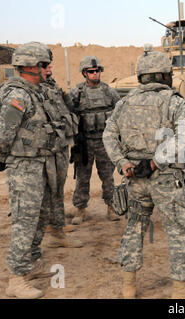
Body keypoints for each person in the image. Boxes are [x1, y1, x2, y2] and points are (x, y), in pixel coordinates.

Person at [103, 45, 185, 299]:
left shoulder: (124, 103)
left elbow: (109, 135)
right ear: (165, 76)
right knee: (178, 231)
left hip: (134, 179)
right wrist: (156, 163)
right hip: (166, 179)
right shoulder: (174, 102)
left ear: (141, 76)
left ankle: (128, 287)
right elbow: (184, 137)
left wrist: (123, 163)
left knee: (135, 227)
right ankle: (180, 293)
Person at [0, 42, 68, 298]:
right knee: (25, 221)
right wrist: (1, 158)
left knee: (39, 217)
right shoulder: (18, 94)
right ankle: (16, 278)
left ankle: (30, 266)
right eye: (44, 64)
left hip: (40, 163)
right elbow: (3, 134)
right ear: (30, 66)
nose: (47, 69)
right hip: (24, 167)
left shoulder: (35, 91)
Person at [68, 56, 120, 224]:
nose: (95, 73)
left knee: (108, 176)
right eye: (91, 71)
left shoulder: (109, 92)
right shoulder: (77, 93)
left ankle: (111, 207)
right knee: (83, 177)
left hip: (104, 141)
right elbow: (67, 115)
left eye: (97, 71)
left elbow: (119, 113)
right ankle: (80, 209)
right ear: (84, 73)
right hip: (85, 143)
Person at [41, 49, 83, 248]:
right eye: (46, 64)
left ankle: (57, 226)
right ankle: (51, 229)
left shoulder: (51, 84)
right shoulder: (34, 88)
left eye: (50, 64)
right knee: (47, 190)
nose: (50, 67)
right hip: (46, 149)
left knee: (57, 187)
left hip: (60, 145)